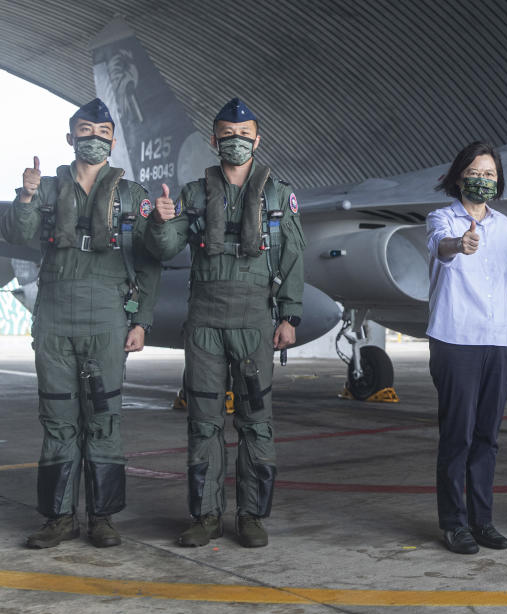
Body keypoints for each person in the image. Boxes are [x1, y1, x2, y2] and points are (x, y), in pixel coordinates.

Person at [1, 98, 161, 548]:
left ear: (113, 140)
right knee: (57, 420)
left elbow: (150, 263)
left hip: (108, 318)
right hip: (54, 318)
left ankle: (103, 518)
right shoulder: (48, 189)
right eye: (85, 130)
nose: (94, 138)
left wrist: (141, 321)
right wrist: (27, 194)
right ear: (70, 137)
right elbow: (17, 234)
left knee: (104, 419)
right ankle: (58, 518)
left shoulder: (133, 196)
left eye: (102, 131)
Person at [146, 98, 305, 548]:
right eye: (226, 135)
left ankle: (251, 516)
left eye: (243, 134)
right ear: (214, 140)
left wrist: (289, 316)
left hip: (255, 320)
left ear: (258, 139)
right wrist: (160, 222)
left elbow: (293, 256)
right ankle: (206, 515)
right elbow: (163, 247)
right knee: (204, 421)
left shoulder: (277, 194)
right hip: (205, 323)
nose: (235, 141)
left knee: (256, 421)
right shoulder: (194, 195)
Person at [426, 141, 507, 554]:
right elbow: (440, 247)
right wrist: (460, 245)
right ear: (458, 176)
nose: (483, 180)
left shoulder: (503, 226)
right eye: (476, 172)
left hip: (499, 342)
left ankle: (482, 521)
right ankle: (454, 523)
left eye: (490, 175)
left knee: (488, 436)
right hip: (456, 340)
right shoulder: (442, 219)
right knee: (458, 435)